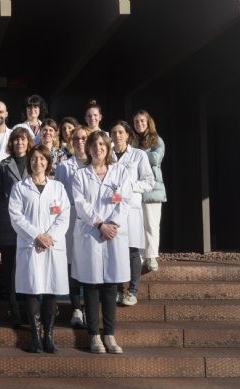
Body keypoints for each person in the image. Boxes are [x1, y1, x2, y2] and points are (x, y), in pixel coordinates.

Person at [71, 130, 132, 354]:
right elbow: (81, 204)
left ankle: (109, 334)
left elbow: (125, 200)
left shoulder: (120, 173)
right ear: (88, 148)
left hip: (113, 234)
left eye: (102, 145)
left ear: (108, 148)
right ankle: (94, 336)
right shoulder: (80, 175)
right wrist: (100, 225)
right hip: (91, 233)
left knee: (110, 286)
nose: (98, 148)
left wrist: (112, 224)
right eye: (94, 145)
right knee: (91, 285)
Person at [9, 145, 70, 353]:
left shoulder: (58, 188)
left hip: (52, 246)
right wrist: (37, 235)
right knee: (33, 290)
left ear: (48, 162)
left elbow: (64, 216)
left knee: (51, 290)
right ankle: (35, 337)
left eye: (42, 159)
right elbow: (16, 216)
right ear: (29, 162)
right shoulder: (19, 187)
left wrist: (49, 237)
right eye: (34, 159)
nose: (38, 163)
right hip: (31, 245)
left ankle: (49, 336)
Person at [111, 121, 154, 306]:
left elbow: (149, 181)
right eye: (114, 133)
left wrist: (130, 187)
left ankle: (133, 291)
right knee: (116, 250)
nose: (117, 136)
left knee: (133, 251)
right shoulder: (107, 155)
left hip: (131, 209)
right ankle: (119, 290)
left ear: (128, 135)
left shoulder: (138, 155)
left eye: (121, 132)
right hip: (112, 209)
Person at [54, 126, 91, 328]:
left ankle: (90, 307)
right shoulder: (64, 167)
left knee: (89, 263)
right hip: (70, 222)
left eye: (84, 138)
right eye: (76, 139)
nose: (79, 142)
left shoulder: (96, 165)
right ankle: (77, 307)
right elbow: (58, 195)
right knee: (72, 264)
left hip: (91, 222)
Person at [0, 127, 34, 327]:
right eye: (16, 140)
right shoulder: (4, 164)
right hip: (9, 224)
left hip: (31, 224)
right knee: (10, 269)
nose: (19, 143)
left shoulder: (35, 161)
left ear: (28, 141)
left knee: (29, 268)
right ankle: (14, 310)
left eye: (23, 139)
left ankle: (30, 311)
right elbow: (3, 194)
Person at [133, 110, 166, 272]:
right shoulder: (131, 141)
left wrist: (139, 154)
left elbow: (156, 158)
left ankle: (151, 256)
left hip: (153, 189)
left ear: (148, 123)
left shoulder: (156, 140)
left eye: (142, 121)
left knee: (152, 225)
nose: (139, 124)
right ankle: (140, 255)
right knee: (138, 225)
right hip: (136, 190)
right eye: (137, 121)